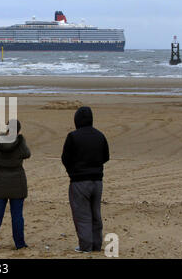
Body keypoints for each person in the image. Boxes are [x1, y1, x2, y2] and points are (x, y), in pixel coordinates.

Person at [61, 106, 110, 253]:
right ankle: (96, 245)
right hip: (97, 181)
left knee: (82, 215)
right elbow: (105, 157)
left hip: (79, 181)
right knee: (95, 213)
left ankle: (86, 246)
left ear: (76, 120)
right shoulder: (100, 135)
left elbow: (65, 158)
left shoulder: (73, 137)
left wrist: (72, 172)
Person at [0, 119, 31, 250]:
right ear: (17, 130)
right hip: (17, 181)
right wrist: (20, 137)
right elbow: (27, 154)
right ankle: (19, 243)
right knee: (17, 215)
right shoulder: (20, 142)